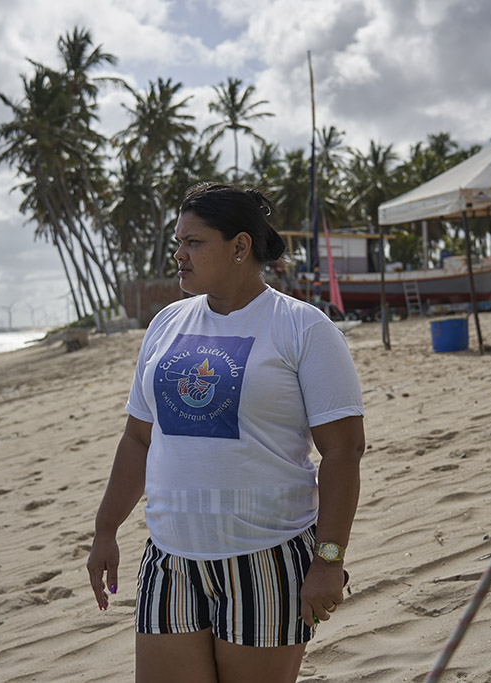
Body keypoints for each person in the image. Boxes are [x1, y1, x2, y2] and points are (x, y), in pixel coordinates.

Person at [86, 183, 366, 682]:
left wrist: (329, 559)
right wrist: (106, 529)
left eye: (194, 243)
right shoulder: (167, 323)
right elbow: (138, 438)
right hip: (170, 558)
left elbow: (343, 452)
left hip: (265, 557)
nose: (178, 255)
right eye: (178, 242)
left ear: (240, 247)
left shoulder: (303, 328)